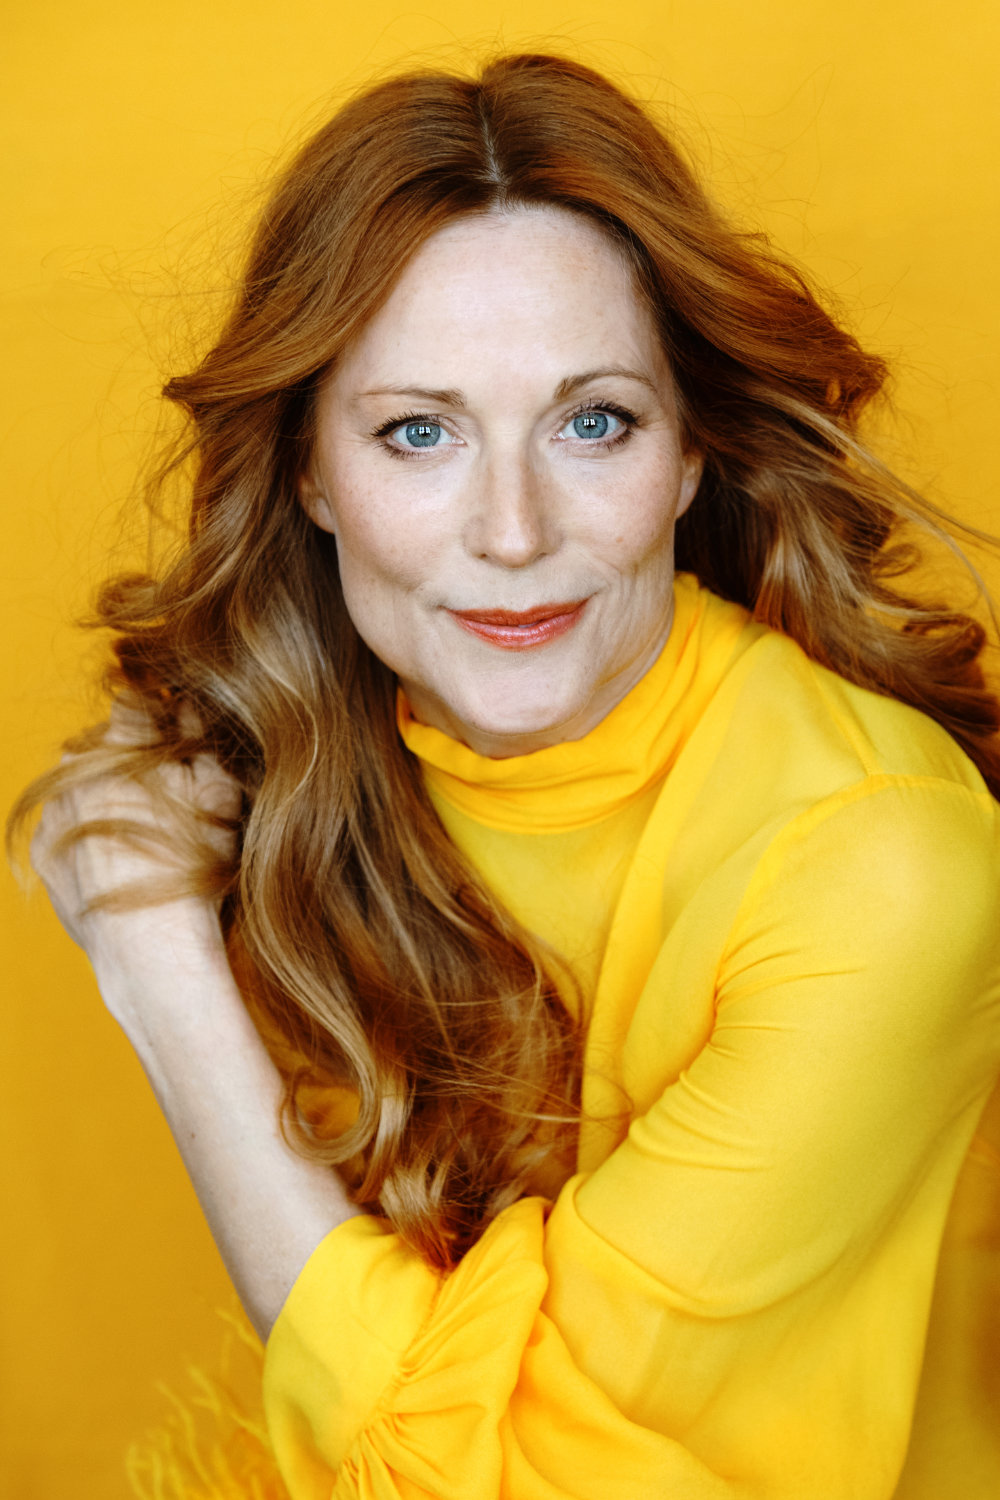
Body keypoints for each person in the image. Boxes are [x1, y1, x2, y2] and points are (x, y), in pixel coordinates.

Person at [10, 50, 1000, 1500]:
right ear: (310, 474)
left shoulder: (882, 867)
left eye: (594, 421)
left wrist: (158, 970)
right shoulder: (302, 761)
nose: (516, 532)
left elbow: (516, 1479)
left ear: (688, 453)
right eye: (420, 432)